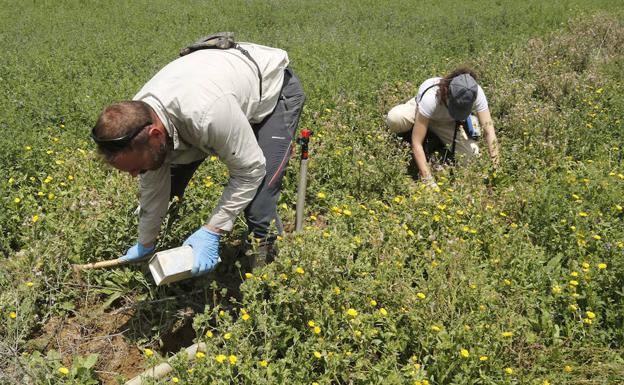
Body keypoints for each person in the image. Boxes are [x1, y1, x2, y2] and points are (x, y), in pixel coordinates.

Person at [91, 41, 305, 275]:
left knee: (258, 204)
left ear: (155, 134)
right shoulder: (138, 116)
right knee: (164, 178)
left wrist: (213, 230)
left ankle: (269, 273)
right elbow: (153, 187)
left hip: (271, 92)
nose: (133, 174)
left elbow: (250, 170)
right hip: (218, 93)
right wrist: (145, 242)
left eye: (135, 167)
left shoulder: (207, 114)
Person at [386, 67, 499, 188]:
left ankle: (436, 141)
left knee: (473, 159)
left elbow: (489, 132)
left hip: (448, 123)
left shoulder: (475, 92)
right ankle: (413, 135)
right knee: (395, 118)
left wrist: (495, 169)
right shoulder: (431, 97)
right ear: (446, 91)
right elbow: (416, 142)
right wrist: (429, 181)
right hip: (421, 114)